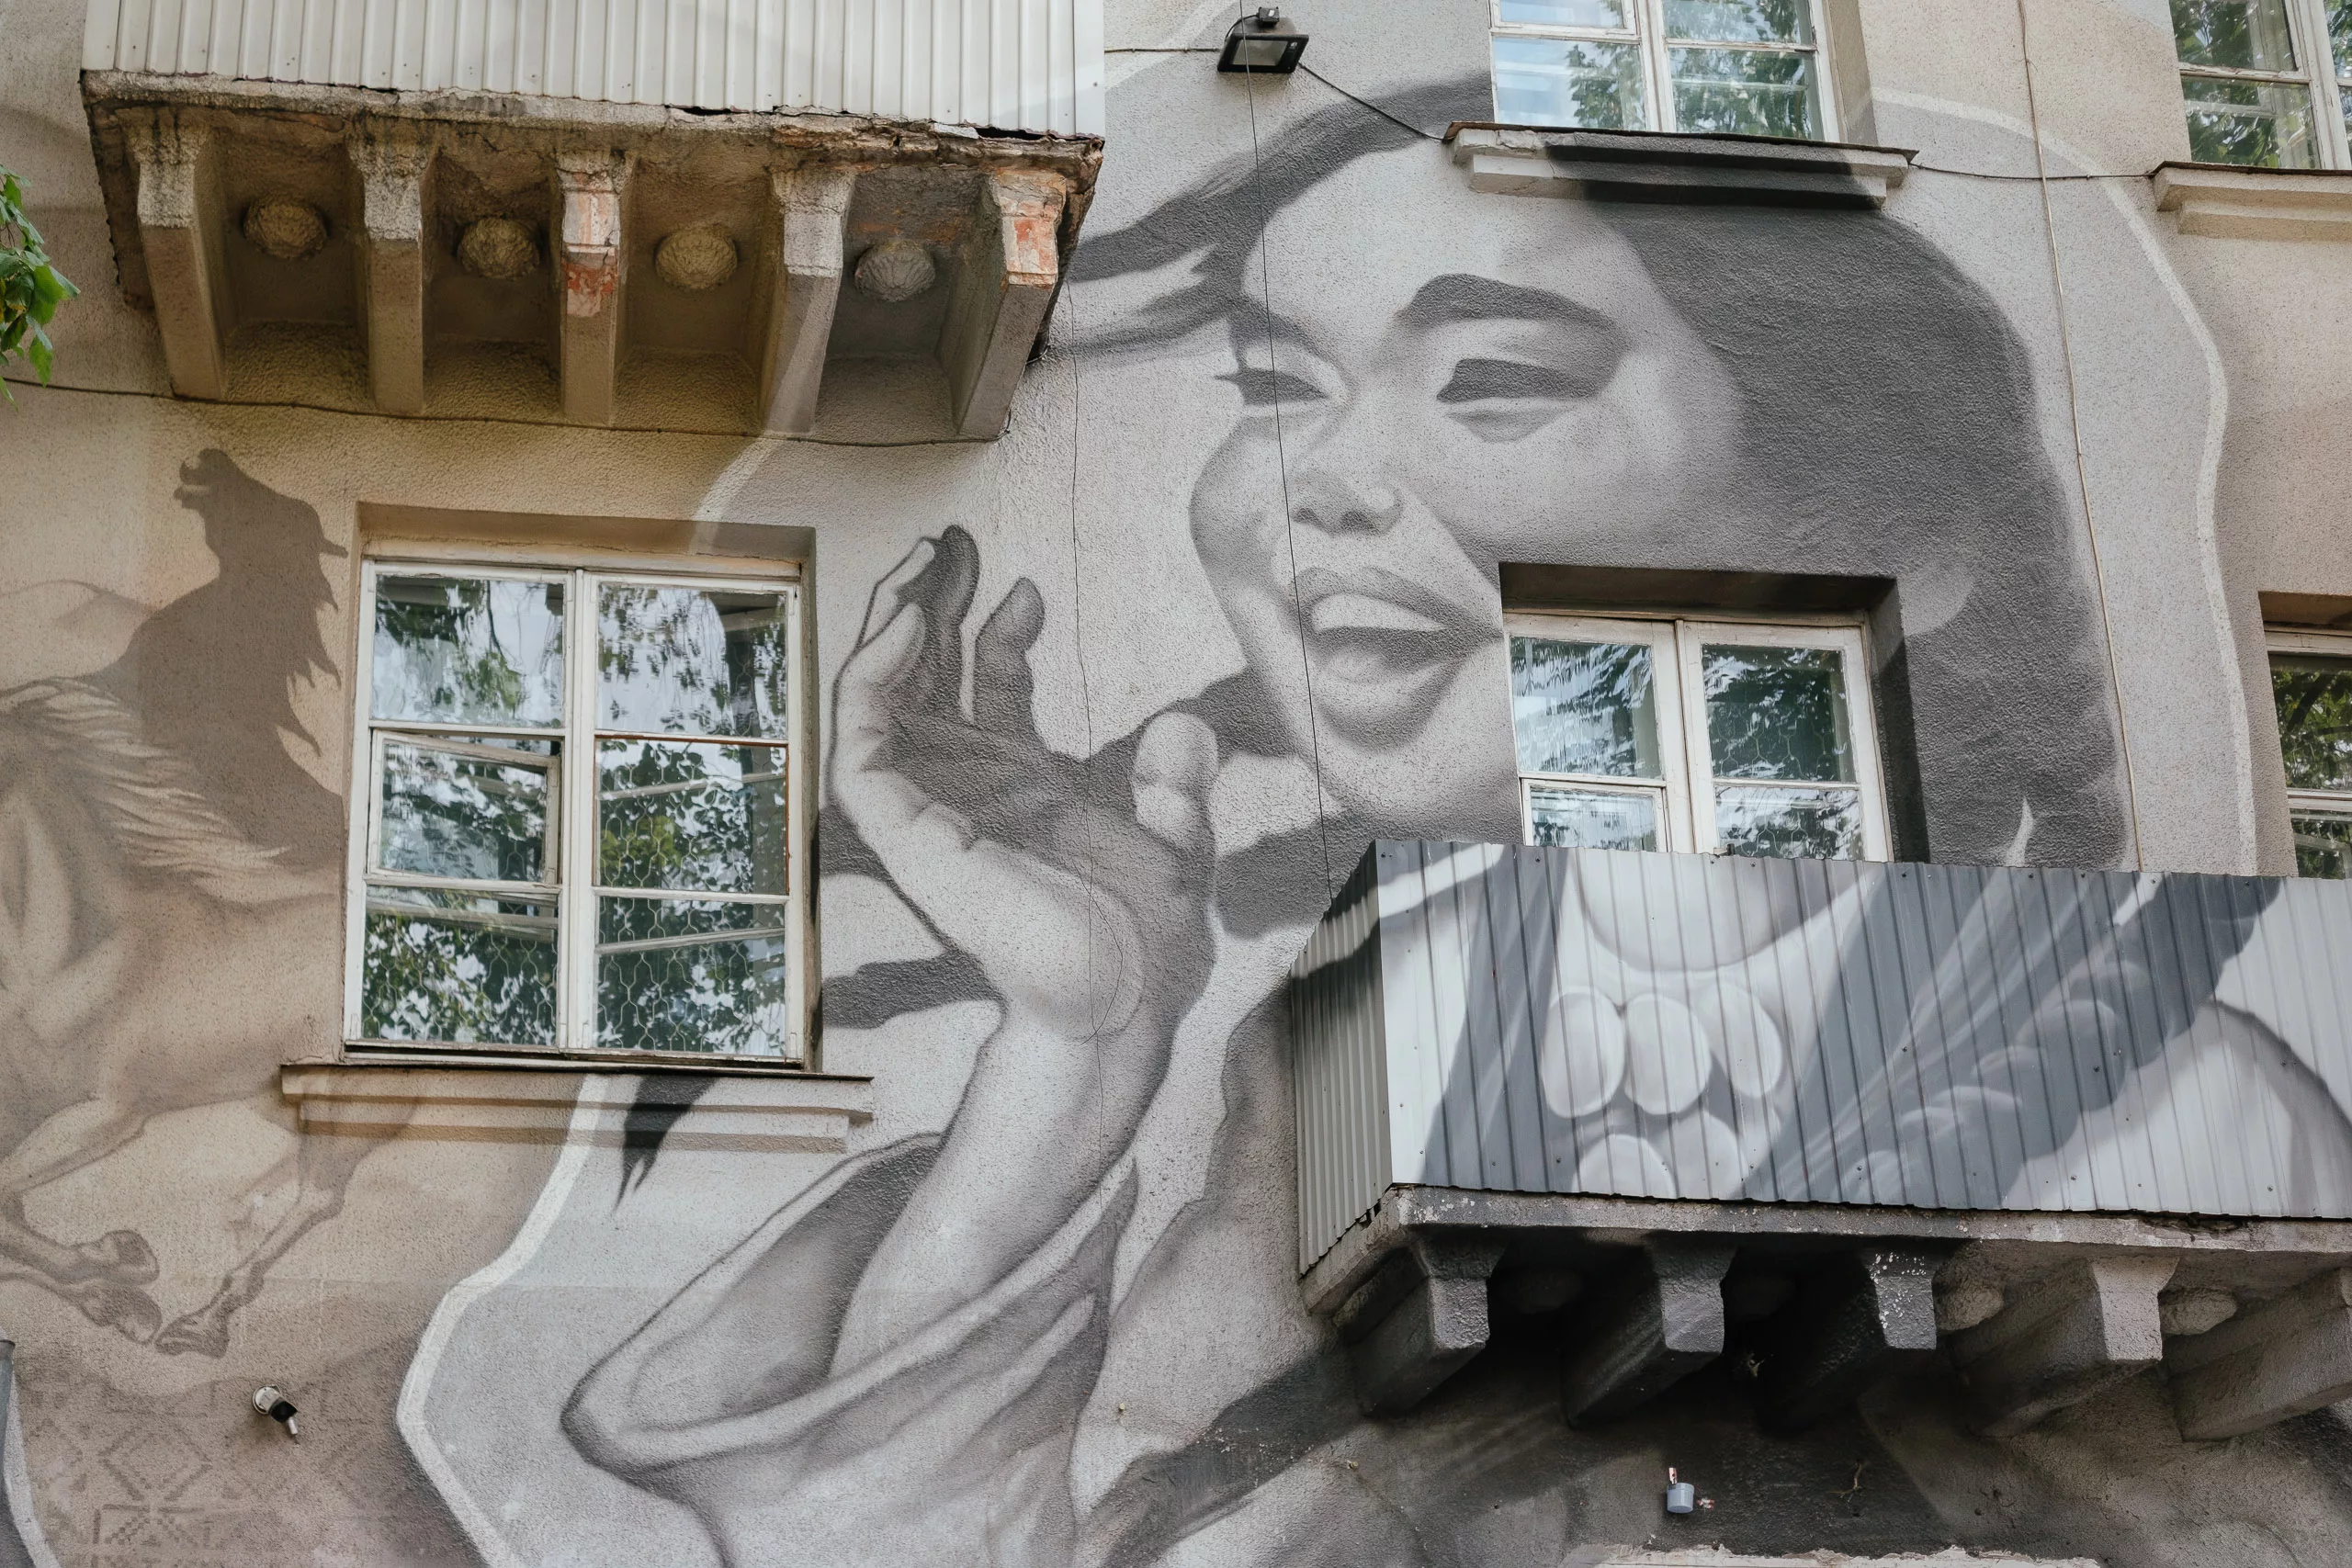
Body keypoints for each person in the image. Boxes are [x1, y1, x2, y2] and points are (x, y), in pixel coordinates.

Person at [561, 79, 2165, 1567]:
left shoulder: (2114, 1112)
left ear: (1900, 533)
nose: (1317, 479)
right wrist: (1073, 1053)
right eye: (1277, 387)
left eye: (1500, 380)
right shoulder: (1327, 1081)